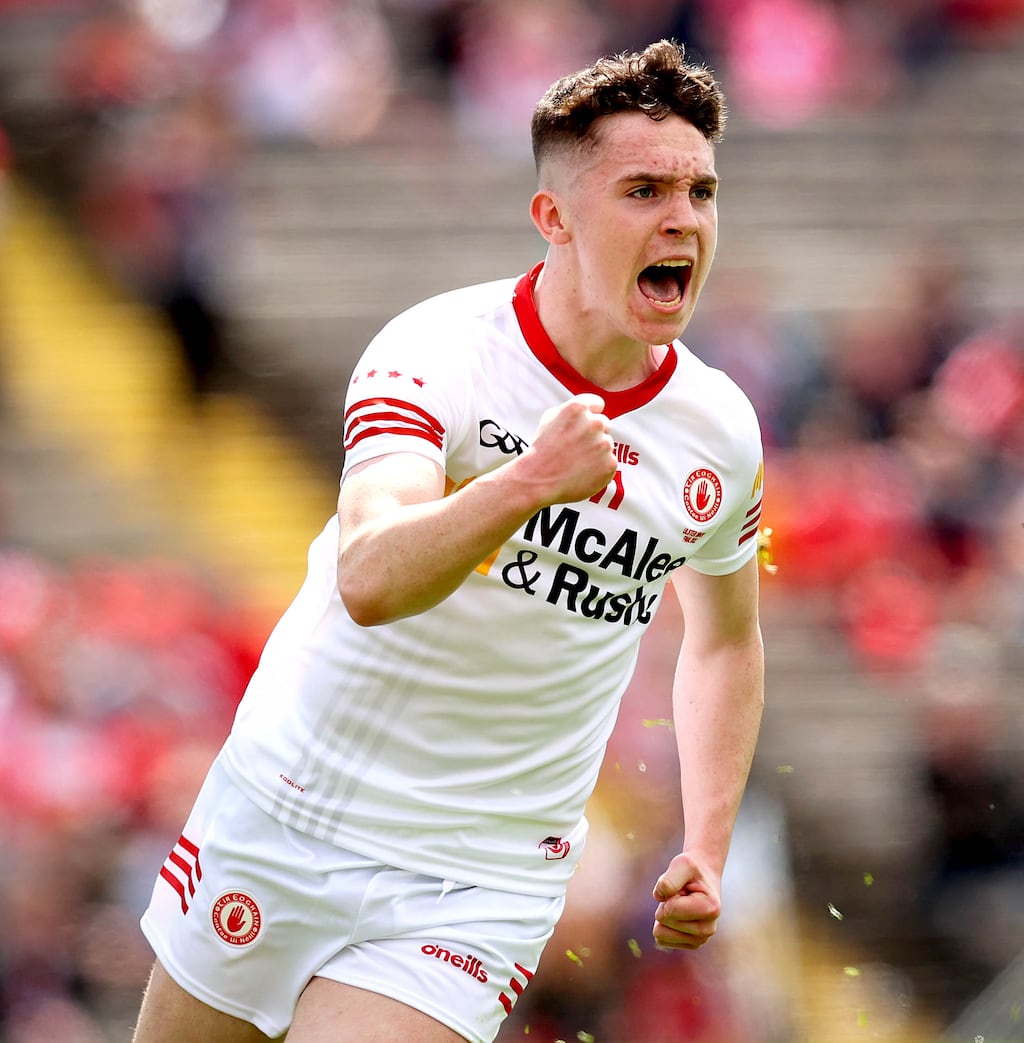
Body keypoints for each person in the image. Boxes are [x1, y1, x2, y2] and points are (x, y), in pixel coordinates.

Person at [132, 38, 766, 1043]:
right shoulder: (438, 351)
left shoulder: (717, 430)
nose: (683, 218)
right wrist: (530, 481)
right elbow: (370, 574)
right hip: (291, 809)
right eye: (643, 190)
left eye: (701, 190)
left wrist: (708, 840)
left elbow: (725, 636)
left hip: (480, 876)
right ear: (554, 217)